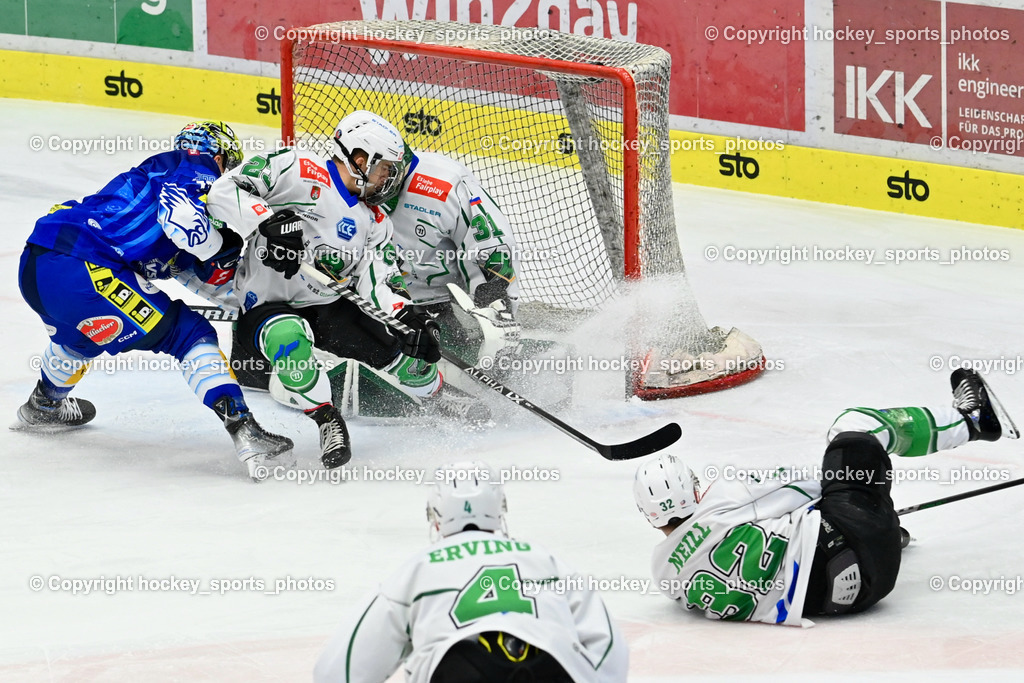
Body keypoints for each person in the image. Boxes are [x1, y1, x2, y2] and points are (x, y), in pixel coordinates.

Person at [15, 120, 293, 481]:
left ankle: (43, 404)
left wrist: (235, 271)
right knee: (188, 334)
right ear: (220, 157)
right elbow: (183, 220)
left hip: (38, 263)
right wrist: (229, 243)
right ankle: (245, 429)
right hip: (87, 268)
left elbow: (204, 273)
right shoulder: (196, 167)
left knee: (78, 338)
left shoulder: (149, 186)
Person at [633, 368, 1017, 626]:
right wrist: (859, 492)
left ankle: (887, 533)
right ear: (694, 489)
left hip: (855, 596)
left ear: (649, 516)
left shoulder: (663, 573)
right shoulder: (722, 499)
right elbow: (809, 484)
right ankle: (971, 421)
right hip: (854, 539)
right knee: (853, 430)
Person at [207, 110, 453, 470]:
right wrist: (268, 222)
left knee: (400, 348)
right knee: (290, 341)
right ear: (359, 159)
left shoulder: (375, 220)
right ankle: (327, 420)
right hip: (265, 304)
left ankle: (439, 396)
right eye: (385, 168)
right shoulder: (298, 169)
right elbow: (224, 191)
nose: (389, 178)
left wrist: (407, 316)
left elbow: (379, 278)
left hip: (326, 303)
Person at [313, 462, 628, 682]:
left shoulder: (417, 569)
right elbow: (609, 647)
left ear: (435, 516)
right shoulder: (544, 558)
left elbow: (337, 672)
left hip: (459, 671)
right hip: (552, 667)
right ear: (500, 508)